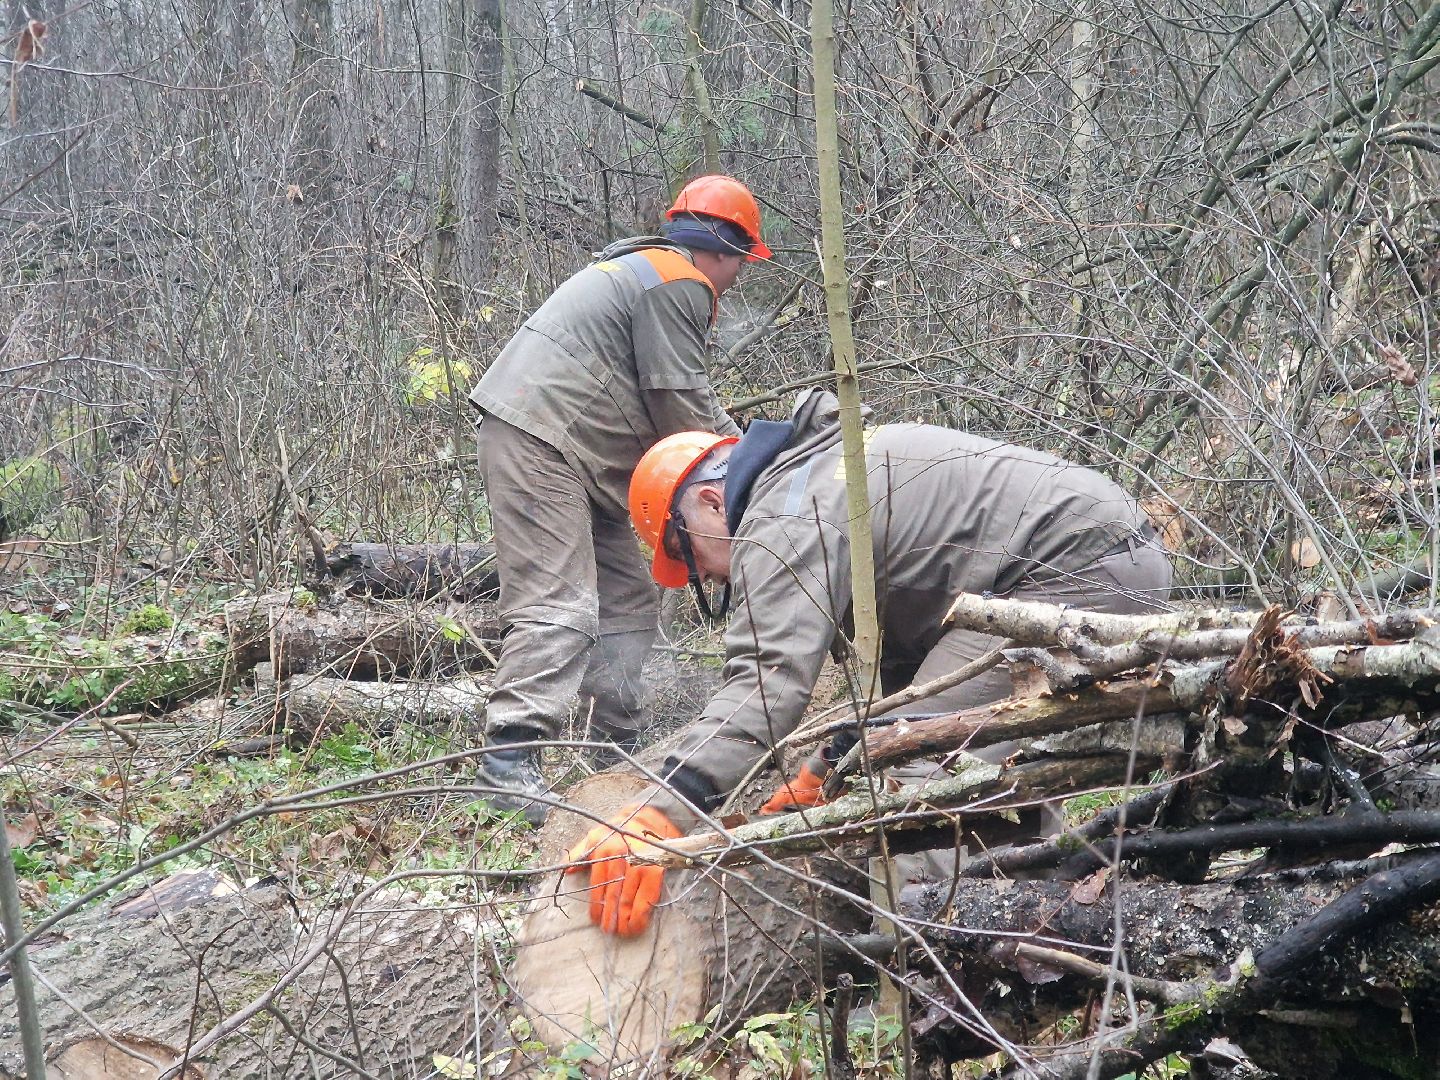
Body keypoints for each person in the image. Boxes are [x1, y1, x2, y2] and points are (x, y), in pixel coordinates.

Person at [565, 389, 1173, 936]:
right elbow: (913, 677)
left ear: (707, 503)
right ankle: (1041, 924)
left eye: (689, 557)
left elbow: (767, 679)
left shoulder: (781, 516)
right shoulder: (821, 469)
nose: (707, 574)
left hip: (1063, 574)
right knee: (983, 757)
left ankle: (934, 974)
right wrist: (835, 760)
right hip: (1103, 557)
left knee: (914, 784)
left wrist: (662, 808)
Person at [470, 175, 770, 824]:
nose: (739, 278)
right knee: (563, 602)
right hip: (539, 437)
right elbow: (680, 402)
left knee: (630, 596)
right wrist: (755, 471)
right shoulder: (675, 280)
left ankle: (616, 752)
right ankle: (508, 765)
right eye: (742, 264)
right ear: (727, 250)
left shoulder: (649, 273)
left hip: (571, 448)